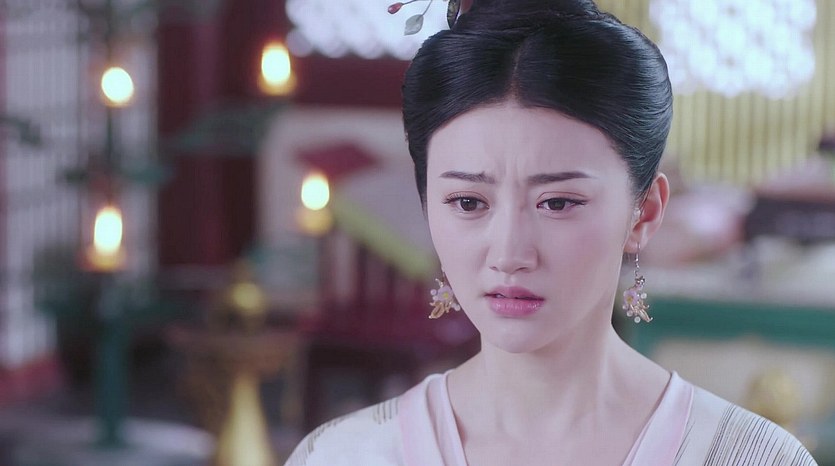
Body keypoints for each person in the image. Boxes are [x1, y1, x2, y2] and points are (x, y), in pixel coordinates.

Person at [285, 0, 818, 464]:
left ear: (644, 213)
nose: (509, 253)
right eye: (468, 202)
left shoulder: (750, 456)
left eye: (558, 202)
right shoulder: (344, 455)